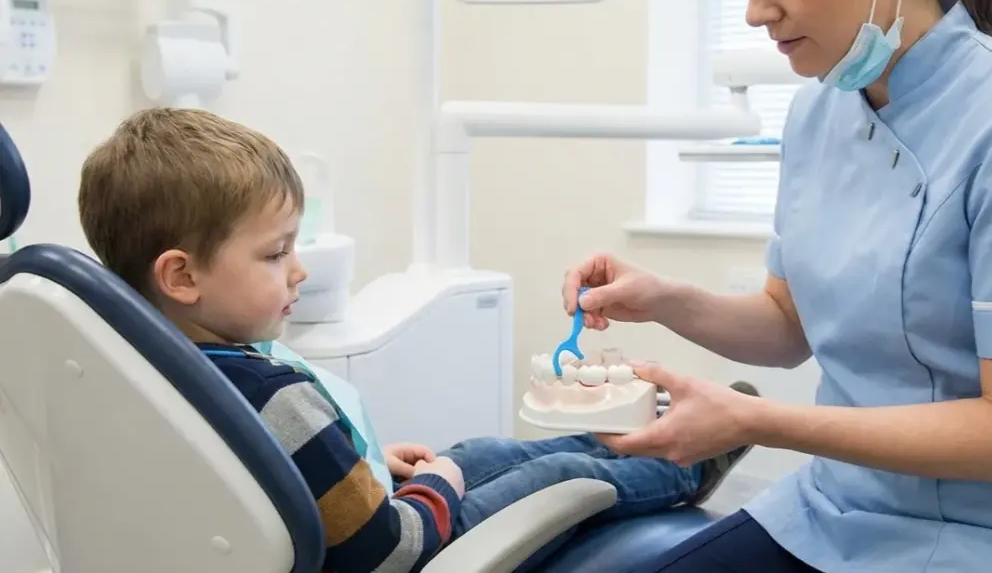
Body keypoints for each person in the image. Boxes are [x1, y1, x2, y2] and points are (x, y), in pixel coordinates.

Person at [562, 0, 992, 571]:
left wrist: (754, 421)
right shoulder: (819, 111)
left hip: (984, 537)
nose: (755, 9)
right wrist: (662, 299)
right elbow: (788, 326)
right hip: (833, 508)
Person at [77, 107, 758, 573]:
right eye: (275, 254)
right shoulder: (269, 390)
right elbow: (388, 554)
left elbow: (268, 482)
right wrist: (436, 484)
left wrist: (369, 469)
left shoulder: (142, 374)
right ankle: (687, 462)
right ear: (182, 275)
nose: (299, 269)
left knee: (483, 450)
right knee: (555, 476)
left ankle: (653, 430)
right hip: (411, 550)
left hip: (342, 528)